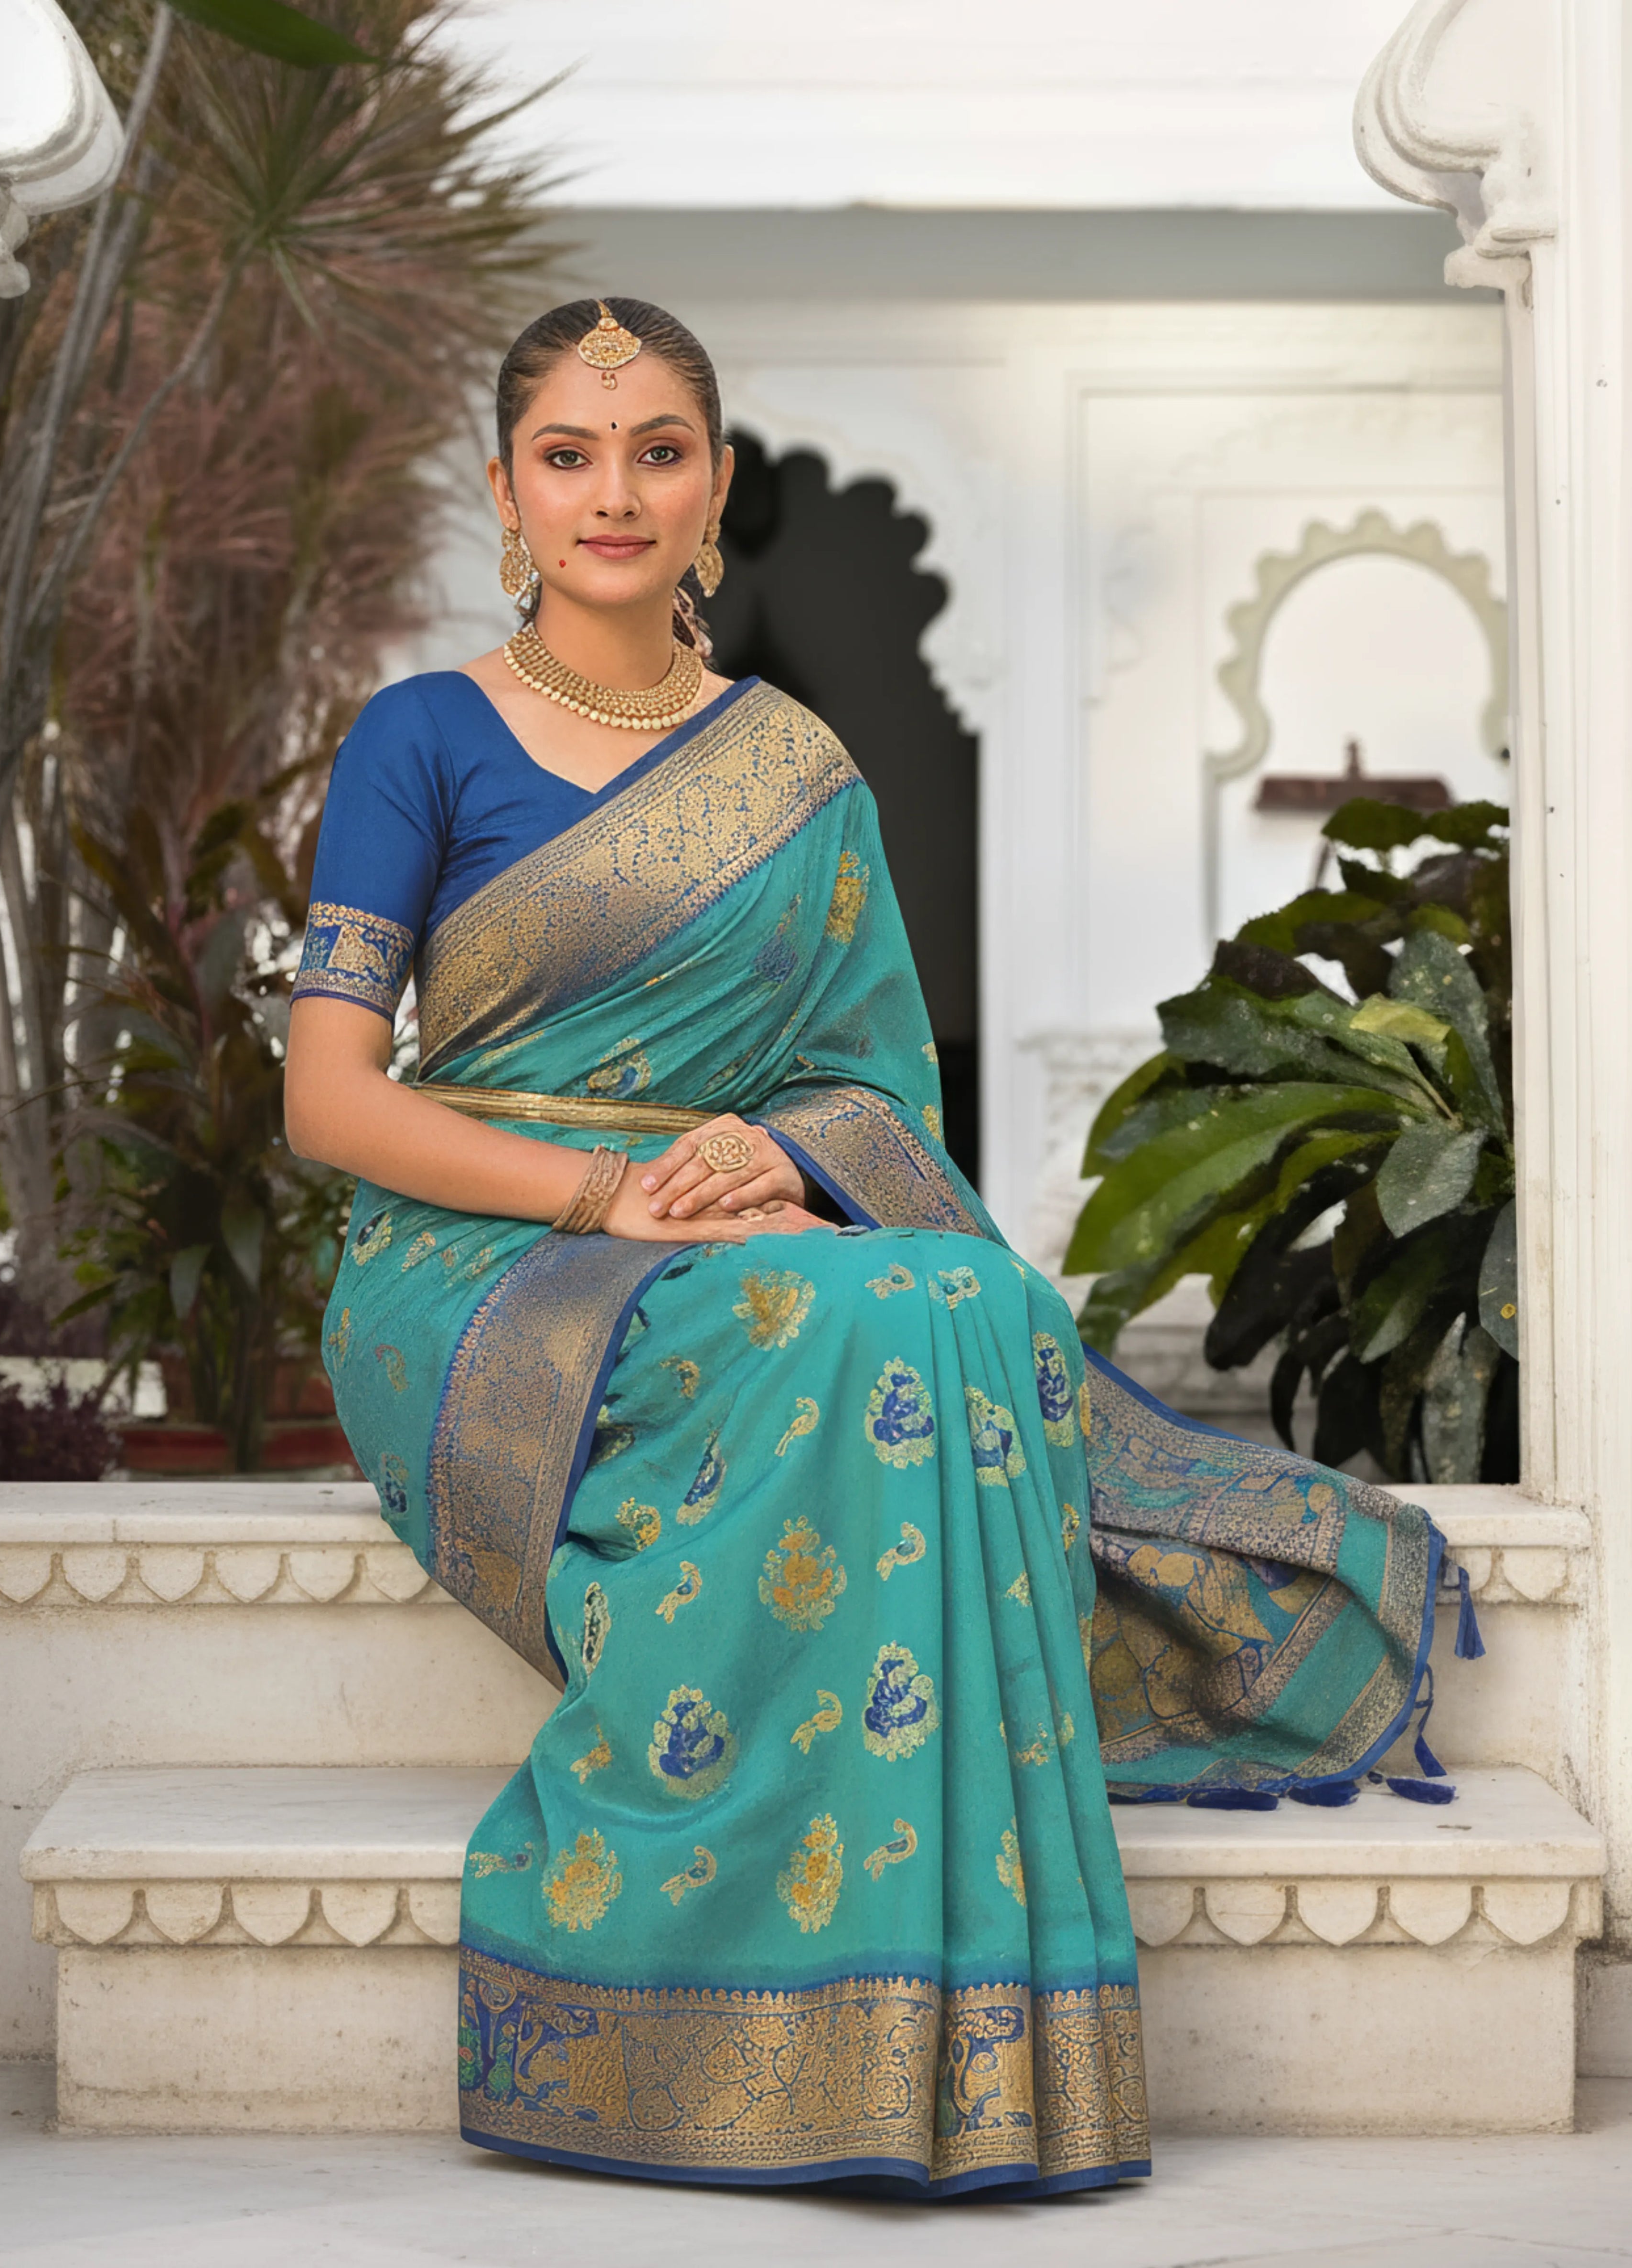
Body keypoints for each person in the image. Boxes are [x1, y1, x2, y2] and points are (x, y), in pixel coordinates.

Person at [284, 297, 1445, 2199]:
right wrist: (599, 1194)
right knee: (873, 1320)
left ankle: (937, 2034)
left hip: (735, 1233)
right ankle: (671, 1977)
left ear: (715, 483)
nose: (613, 492)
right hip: (481, 1265)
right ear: (504, 489)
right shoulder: (420, 737)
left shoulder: (796, 767)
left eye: (657, 451)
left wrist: (777, 1150)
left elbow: (867, 1083)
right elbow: (329, 1100)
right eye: (568, 455)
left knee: (957, 1295)